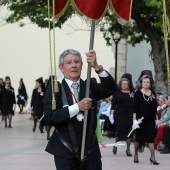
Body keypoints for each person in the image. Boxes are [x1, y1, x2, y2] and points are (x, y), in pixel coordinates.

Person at [43, 49, 117, 170]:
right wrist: (77, 107)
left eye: (77, 61)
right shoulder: (55, 89)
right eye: (69, 63)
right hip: (65, 151)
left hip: (91, 151)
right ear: (61, 67)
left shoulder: (90, 86)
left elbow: (111, 88)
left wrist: (97, 67)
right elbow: (49, 116)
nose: (73, 65)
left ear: (82, 65)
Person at [132, 75, 159, 165]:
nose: (146, 83)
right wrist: (134, 120)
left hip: (150, 120)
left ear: (150, 83)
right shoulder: (138, 93)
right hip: (140, 120)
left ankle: (153, 157)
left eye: (147, 82)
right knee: (138, 139)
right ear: (141, 83)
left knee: (151, 138)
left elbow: (155, 107)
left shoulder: (153, 93)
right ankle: (136, 154)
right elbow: (134, 108)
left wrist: (156, 119)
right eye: (144, 82)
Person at [111, 74, 134, 156]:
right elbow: (113, 105)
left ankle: (128, 150)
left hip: (129, 115)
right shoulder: (117, 93)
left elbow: (135, 104)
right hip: (120, 115)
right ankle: (115, 146)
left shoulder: (132, 93)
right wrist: (111, 115)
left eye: (125, 84)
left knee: (129, 134)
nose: (124, 85)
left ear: (129, 85)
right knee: (119, 133)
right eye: (122, 84)